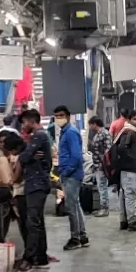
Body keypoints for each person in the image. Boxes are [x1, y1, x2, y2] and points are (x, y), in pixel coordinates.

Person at [16, 108, 54, 272]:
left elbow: (24, 156)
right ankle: (41, 257)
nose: (24, 126)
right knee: (37, 222)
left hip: (36, 184)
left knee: (32, 223)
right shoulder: (38, 137)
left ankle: (29, 259)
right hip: (35, 183)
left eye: (24, 122)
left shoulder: (39, 136)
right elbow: (29, 155)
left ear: (31, 121)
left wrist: (23, 155)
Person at [53, 105, 88, 250]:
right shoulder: (65, 132)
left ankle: (75, 238)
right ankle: (82, 235)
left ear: (68, 116)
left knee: (71, 207)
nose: (59, 119)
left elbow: (76, 156)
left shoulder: (70, 133)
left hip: (72, 175)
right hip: (70, 174)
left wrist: (66, 172)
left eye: (61, 115)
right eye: (57, 116)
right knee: (76, 204)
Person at [112, 110, 136, 232]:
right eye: (134, 119)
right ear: (129, 120)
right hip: (129, 170)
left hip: (126, 169)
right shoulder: (130, 132)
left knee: (124, 195)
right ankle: (132, 221)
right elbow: (122, 149)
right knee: (130, 195)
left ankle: (124, 221)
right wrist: (133, 161)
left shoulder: (129, 131)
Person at [86, 115, 111, 218]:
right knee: (101, 187)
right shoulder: (98, 134)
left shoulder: (105, 133)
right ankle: (103, 207)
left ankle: (104, 208)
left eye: (91, 125)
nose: (90, 127)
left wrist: (103, 164)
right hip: (97, 165)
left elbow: (108, 149)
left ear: (94, 124)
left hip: (101, 166)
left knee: (102, 187)